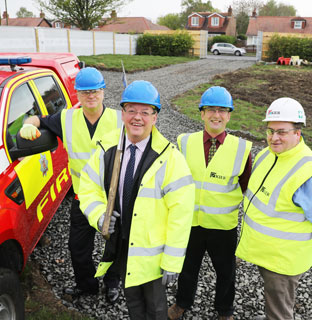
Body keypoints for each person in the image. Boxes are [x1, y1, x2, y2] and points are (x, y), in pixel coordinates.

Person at [78, 80, 195, 319]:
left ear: (155, 117)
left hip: (152, 255)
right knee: (133, 303)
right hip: (122, 246)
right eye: (131, 110)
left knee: (155, 308)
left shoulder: (171, 159)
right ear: (122, 114)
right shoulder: (107, 148)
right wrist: (100, 216)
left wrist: (172, 261)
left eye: (145, 112)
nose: (137, 118)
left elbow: (181, 214)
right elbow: (88, 188)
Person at [19, 67, 121, 302]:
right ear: (77, 94)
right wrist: (28, 125)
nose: (90, 96)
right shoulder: (66, 118)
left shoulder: (119, 119)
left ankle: (112, 283)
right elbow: (38, 119)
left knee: (115, 246)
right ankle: (87, 286)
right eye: (85, 92)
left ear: (103, 91)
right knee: (78, 248)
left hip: (113, 196)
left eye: (95, 91)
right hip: (82, 198)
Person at [168, 86, 252, 320]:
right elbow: (175, 180)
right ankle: (182, 303)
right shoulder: (184, 142)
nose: (217, 115)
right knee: (188, 267)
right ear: (202, 114)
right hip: (191, 223)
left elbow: (247, 189)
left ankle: (224, 310)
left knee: (226, 272)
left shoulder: (242, 149)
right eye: (211, 110)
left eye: (222, 110)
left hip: (223, 226)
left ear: (229, 115)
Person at [235, 97, 312, 320]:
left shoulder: (308, 172)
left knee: (279, 311)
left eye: (281, 132)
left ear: (297, 133)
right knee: (273, 301)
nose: (273, 138)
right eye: (270, 131)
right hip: (264, 253)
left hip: (283, 261)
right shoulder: (266, 155)